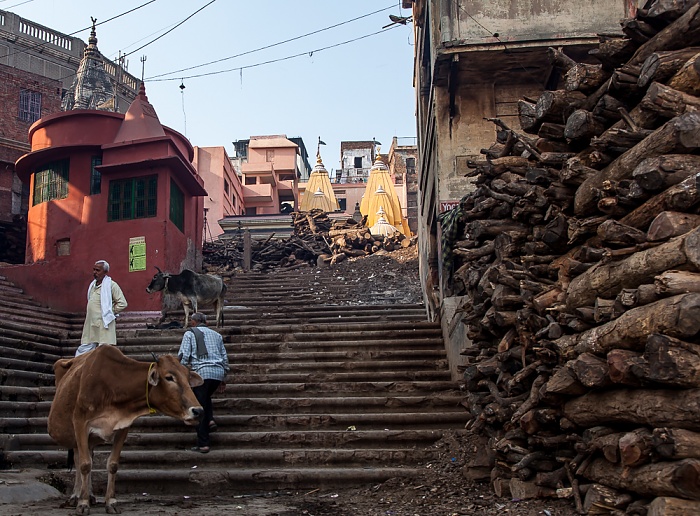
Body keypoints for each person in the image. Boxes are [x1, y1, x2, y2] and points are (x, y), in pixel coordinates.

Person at [178, 312, 229, 453]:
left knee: (199, 409)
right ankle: (210, 420)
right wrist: (224, 377)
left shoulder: (190, 334)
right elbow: (224, 357)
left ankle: (203, 444)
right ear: (206, 322)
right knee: (204, 398)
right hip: (217, 373)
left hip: (201, 373)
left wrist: (180, 374)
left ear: (193, 322)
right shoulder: (217, 335)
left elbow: (183, 356)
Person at [76, 260, 128, 357]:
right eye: (94, 269)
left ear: (105, 272)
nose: (95, 272)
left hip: (104, 323)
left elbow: (122, 303)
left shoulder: (112, 285)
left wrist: (108, 312)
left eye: (98, 270)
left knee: (104, 352)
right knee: (84, 349)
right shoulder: (92, 285)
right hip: (91, 323)